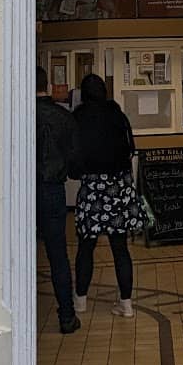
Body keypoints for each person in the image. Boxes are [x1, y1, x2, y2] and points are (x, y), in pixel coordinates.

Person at [72, 73, 143, 318]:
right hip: (118, 187)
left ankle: (80, 300)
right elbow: (130, 149)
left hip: (92, 187)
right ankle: (126, 304)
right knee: (120, 248)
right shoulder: (117, 115)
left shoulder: (78, 117)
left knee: (86, 246)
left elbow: (74, 156)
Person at [36, 65, 82, 335]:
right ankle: (67, 314)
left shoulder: (19, 115)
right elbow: (75, 161)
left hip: (22, 192)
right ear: (49, 86)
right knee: (57, 254)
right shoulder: (63, 118)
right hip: (53, 190)